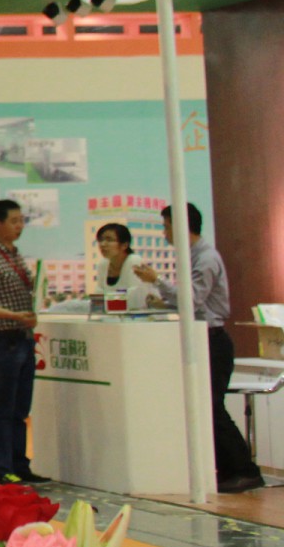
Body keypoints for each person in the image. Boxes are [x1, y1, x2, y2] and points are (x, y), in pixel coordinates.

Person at [136, 203, 264, 493]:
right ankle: (227, 470)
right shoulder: (193, 256)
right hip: (204, 338)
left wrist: (157, 281)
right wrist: (164, 302)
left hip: (213, 341)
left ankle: (245, 470)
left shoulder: (205, 258)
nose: (164, 233)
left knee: (212, 406)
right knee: (206, 407)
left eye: (167, 226)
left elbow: (193, 299)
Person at [0, 200, 48, 486]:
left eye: (21, 220)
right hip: (3, 340)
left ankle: (19, 464)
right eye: (13, 221)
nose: (19, 226)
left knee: (20, 409)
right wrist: (14, 315)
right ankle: (1, 468)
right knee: (2, 409)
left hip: (23, 339)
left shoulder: (14, 254)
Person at [93, 224, 156, 311]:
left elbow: (133, 300)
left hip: (143, 316)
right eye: (100, 240)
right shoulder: (103, 264)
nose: (103, 244)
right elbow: (98, 298)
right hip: (113, 316)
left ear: (124, 245)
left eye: (109, 240)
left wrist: (105, 301)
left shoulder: (134, 261)